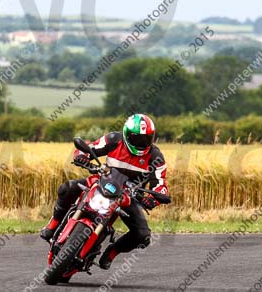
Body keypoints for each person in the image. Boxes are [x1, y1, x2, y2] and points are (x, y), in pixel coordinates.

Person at [39, 113, 168, 269]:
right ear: (126, 134)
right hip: (103, 182)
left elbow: (161, 185)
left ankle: (112, 252)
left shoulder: (156, 157)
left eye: (146, 139)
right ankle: (52, 226)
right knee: (67, 188)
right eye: (137, 139)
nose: (142, 143)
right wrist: (82, 156)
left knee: (143, 235)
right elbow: (90, 147)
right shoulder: (114, 139)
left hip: (128, 196)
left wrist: (153, 199)